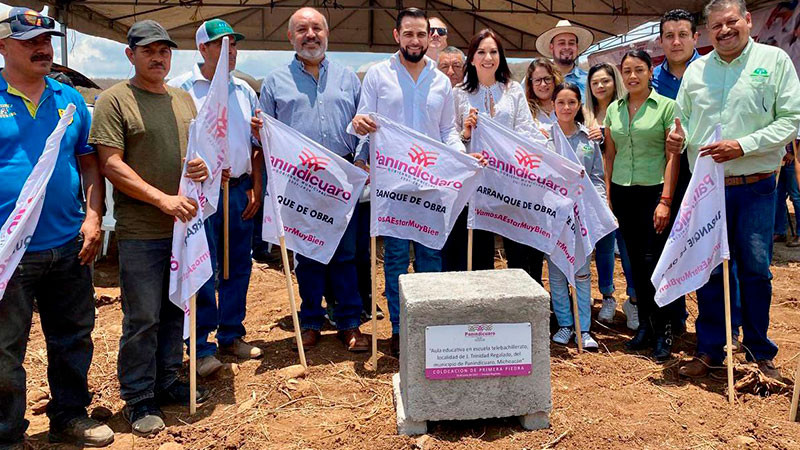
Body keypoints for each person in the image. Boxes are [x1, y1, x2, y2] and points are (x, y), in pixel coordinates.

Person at [90, 20, 210, 437]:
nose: (158, 58)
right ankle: (139, 395)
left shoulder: (183, 100)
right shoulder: (114, 100)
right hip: (142, 230)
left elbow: (196, 154)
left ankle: (167, 379)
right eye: (148, 51)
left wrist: (200, 166)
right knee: (142, 317)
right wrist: (162, 200)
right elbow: (111, 164)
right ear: (131, 54)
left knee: (176, 308)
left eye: (164, 51)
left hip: (182, 229)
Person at [0, 7, 114, 448]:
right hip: (8, 252)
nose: (42, 48)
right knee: (4, 348)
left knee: (73, 338)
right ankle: (8, 434)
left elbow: (89, 165)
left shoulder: (69, 99)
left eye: (46, 40)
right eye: (30, 42)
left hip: (68, 245)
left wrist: (93, 217)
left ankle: (69, 416)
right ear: (3, 46)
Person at [671, 0, 800, 380]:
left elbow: (790, 120)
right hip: (707, 190)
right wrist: (678, 137)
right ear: (708, 31)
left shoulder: (774, 62)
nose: (725, 30)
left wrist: (742, 146)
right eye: (716, 26)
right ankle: (711, 349)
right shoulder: (697, 70)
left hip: (755, 186)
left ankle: (760, 353)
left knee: (755, 270)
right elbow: (683, 120)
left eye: (731, 22)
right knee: (710, 270)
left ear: (747, 20)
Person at [351, 7, 466, 356]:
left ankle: (428, 327)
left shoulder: (440, 81)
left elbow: (447, 131)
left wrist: (462, 157)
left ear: (429, 37)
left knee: (431, 257)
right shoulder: (377, 75)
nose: (415, 41)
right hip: (393, 186)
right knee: (397, 259)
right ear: (396, 35)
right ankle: (400, 330)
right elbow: (362, 119)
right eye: (409, 34)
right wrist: (359, 125)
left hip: (431, 184)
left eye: (421, 34)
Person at [257, 7, 369, 352]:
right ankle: (309, 323)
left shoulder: (349, 78)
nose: (310, 35)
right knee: (307, 254)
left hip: (342, 177)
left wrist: (361, 159)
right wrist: (258, 132)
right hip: (299, 180)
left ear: (327, 33)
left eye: (317, 28)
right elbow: (262, 137)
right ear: (290, 36)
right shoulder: (274, 82)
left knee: (345, 254)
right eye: (302, 29)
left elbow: (364, 126)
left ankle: (349, 323)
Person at [168, 19, 264, 377]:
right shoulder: (181, 90)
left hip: (238, 190)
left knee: (238, 264)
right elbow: (179, 146)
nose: (231, 51)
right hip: (201, 196)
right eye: (223, 45)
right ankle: (200, 345)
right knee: (202, 267)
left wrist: (256, 185)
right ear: (203, 49)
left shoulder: (244, 91)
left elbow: (255, 145)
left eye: (234, 45)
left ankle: (231, 333)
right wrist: (206, 171)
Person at [604, 50, 681, 362]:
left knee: (655, 263)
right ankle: (646, 327)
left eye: (638, 69)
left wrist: (666, 200)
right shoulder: (614, 109)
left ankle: (665, 330)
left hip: (654, 194)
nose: (632, 76)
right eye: (627, 71)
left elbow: (673, 156)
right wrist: (609, 195)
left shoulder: (666, 107)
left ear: (651, 71)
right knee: (635, 263)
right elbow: (610, 155)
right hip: (624, 194)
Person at [453, 29, 544, 282]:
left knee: (518, 250)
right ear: (472, 58)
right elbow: (451, 136)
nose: (488, 57)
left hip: (510, 183)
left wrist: (549, 153)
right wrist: (466, 133)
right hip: (476, 186)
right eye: (481, 52)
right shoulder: (459, 93)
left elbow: (525, 130)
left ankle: (520, 300)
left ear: (500, 57)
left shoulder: (513, 90)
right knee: (479, 253)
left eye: (493, 52)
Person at [652, 9, 703, 337]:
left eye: (683, 34)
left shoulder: (710, 72)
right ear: (661, 40)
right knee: (669, 243)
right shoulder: (651, 79)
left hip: (705, 167)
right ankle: (674, 318)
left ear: (696, 37)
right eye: (669, 36)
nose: (676, 42)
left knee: (708, 242)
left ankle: (722, 325)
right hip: (664, 171)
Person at [547, 82, 605, 350]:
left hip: (582, 218)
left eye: (572, 102)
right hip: (554, 218)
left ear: (579, 105)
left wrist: (600, 207)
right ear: (553, 105)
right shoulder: (545, 139)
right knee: (557, 273)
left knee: (581, 273)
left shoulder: (588, 139)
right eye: (561, 102)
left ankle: (584, 328)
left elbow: (597, 177)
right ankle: (565, 325)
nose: (566, 107)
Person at [584, 63, 639, 330]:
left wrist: (605, 135)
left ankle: (634, 300)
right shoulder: (584, 113)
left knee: (628, 246)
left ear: (614, 82)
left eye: (605, 81)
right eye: (595, 82)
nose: (600, 86)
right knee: (604, 247)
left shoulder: (625, 110)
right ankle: (607, 296)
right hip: (595, 191)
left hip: (623, 185)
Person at [534, 20, 593, 97]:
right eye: (561, 43)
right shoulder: (535, 80)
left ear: (577, 47)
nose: (567, 47)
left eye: (571, 43)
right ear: (551, 47)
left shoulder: (590, 81)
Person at [523, 58, 562, 130]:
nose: (543, 84)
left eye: (547, 79)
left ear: (555, 80)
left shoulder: (567, 107)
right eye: (537, 80)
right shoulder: (524, 112)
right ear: (531, 84)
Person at [774, 141, 800, 246]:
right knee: (778, 196)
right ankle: (779, 231)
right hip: (780, 160)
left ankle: (799, 234)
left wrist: (794, 155)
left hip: (795, 159)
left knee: (796, 197)